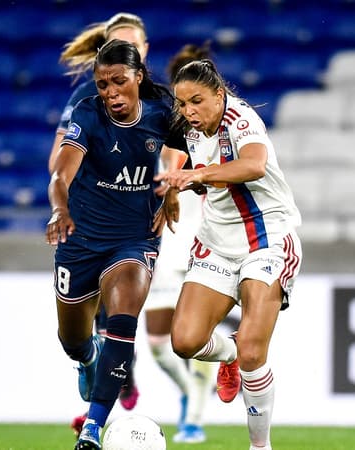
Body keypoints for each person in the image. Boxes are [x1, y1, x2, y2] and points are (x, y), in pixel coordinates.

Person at [156, 59, 303, 450]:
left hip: (266, 238)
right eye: (182, 104)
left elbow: (254, 165)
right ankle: (229, 355)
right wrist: (172, 189)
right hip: (217, 243)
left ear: (220, 94)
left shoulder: (241, 118)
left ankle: (260, 446)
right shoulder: (186, 128)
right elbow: (174, 159)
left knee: (256, 349)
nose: (189, 111)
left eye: (197, 101)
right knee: (185, 341)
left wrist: (198, 176)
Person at [46, 39, 184, 450]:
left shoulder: (162, 112)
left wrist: (173, 188)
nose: (110, 93)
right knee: (72, 339)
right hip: (81, 239)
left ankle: (92, 429)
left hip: (134, 240)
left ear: (138, 78)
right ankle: (87, 360)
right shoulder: (88, 114)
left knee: (122, 326)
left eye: (119, 82)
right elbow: (60, 175)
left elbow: (181, 152)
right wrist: (59, 209)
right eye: (103, 84)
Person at [51, 13, 148, 426]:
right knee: (76, 334)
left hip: (137, 228)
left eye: (133, 44)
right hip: (87, 226)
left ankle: (96, 418)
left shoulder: (159, 100)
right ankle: (93, 362)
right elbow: (57, 163)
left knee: (121, 315)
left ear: (144, 53)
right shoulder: (85, 103)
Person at [141, 42, 219, 445]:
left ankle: (195, 416)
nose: (186, 106)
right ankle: (190, 392)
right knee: (157, 342)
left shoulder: (219, 131)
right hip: (165, 244)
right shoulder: (162, 130)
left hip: (204, 241)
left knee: (199, 335)